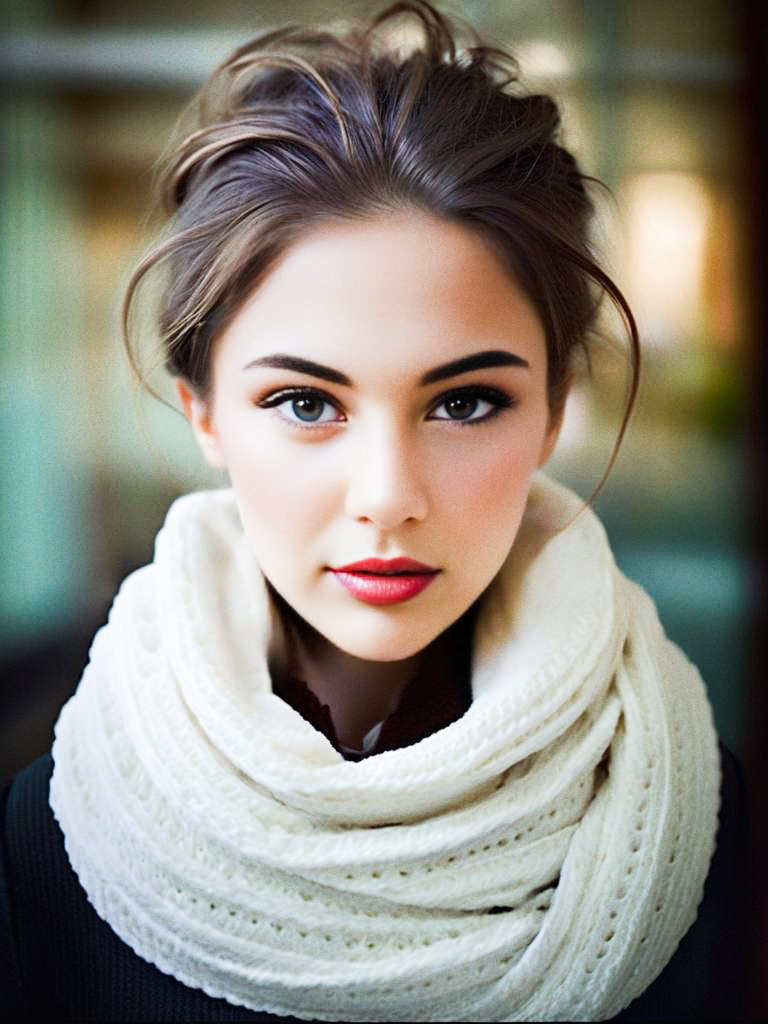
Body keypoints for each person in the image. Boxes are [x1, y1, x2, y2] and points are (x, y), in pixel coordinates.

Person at [0, 2, 746, 1020]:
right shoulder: (57, 833)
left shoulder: (708, 824)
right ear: (204, 414)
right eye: (306, 403)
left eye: (465, 401)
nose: (387, 494)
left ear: (554, 412)